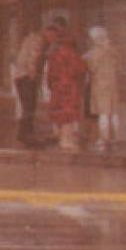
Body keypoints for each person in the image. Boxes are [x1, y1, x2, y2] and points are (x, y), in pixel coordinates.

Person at [45, 19, 88, 152]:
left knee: (59, 112)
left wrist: (51, 84)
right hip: (69, 86)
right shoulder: (71, 53)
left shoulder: (53, 53)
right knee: (68, 114)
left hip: (57, 86)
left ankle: (61, 137)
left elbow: (50, 72)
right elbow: (80, 69)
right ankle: (66, 140)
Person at [84, 26, 121, 151]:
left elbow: (92, 68)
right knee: (114, 113)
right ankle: (115, 139)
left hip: (100, 85)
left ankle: (103, 140)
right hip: (113, 84)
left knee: (103, 113)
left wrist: (87, 59)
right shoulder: (113, 50)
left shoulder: (94, 53)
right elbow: (118, 65)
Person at [12, 26, 47, 147]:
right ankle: (27, 134)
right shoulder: (38, 40)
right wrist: (34, 77)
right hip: (26, 77)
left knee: (27, 106)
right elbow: (33, 58)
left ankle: (23, 133)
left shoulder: (29, 38)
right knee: (29, 106)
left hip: (20, 76)